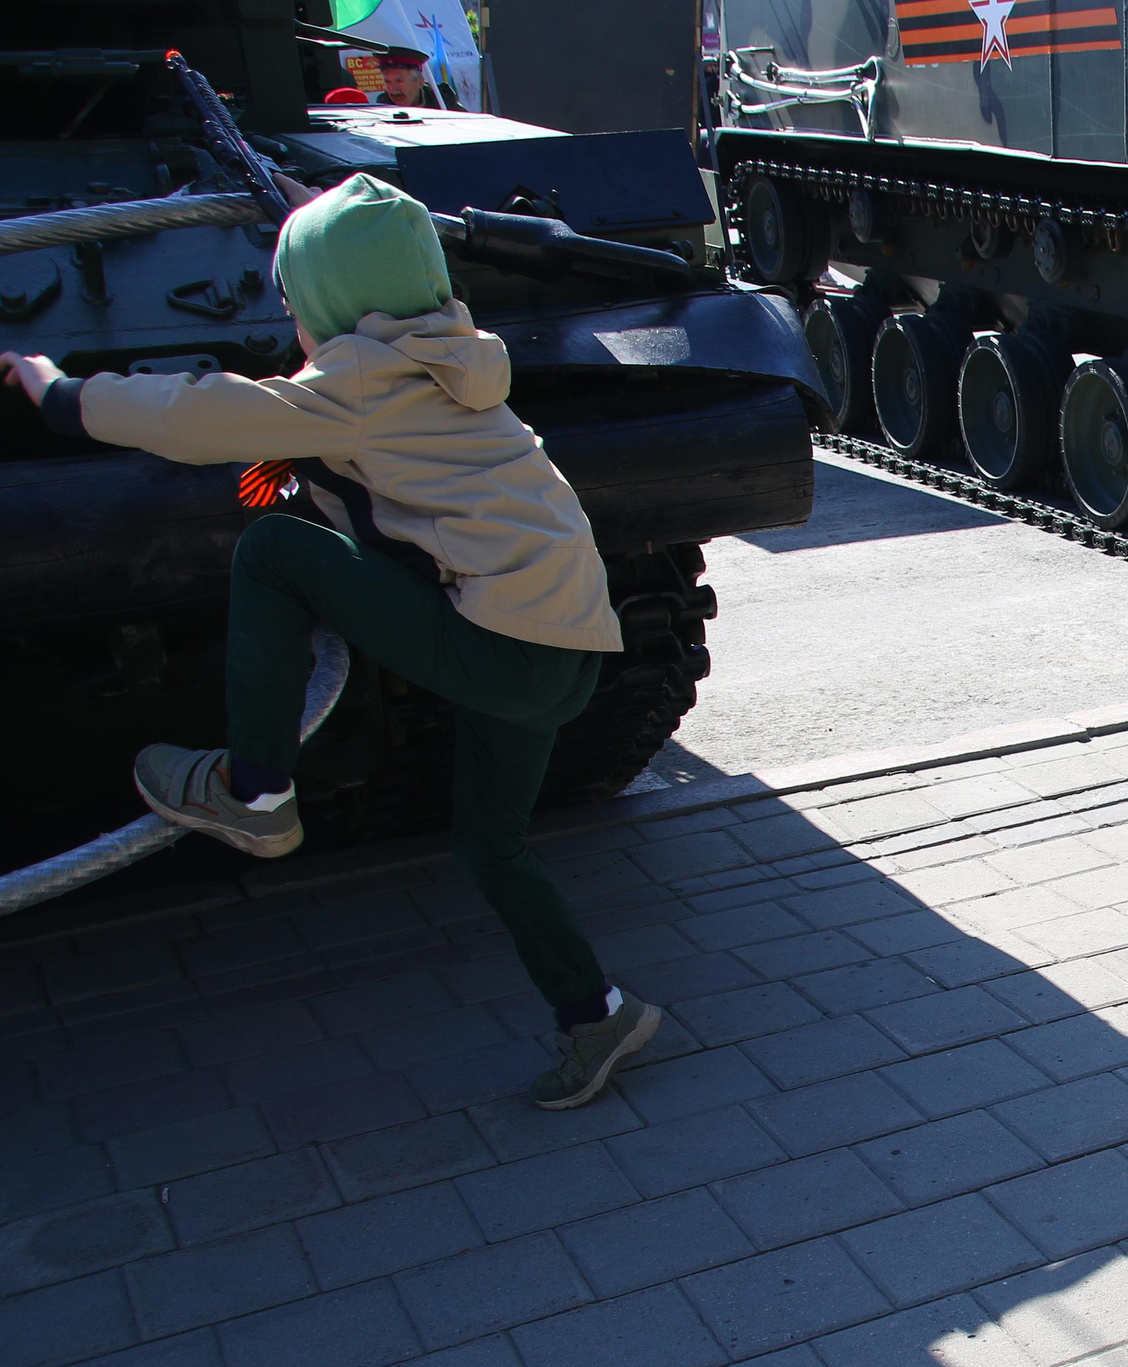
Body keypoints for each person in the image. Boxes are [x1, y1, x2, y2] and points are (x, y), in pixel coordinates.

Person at [1, 173, 660, 1111]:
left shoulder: (350, 384)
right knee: (490, 844)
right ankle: (597, 1013)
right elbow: (381, 472)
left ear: (329, 314)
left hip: (500, 648)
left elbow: (195, 414)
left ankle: (257, 792)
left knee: (273, 551)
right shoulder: (457, 363)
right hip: (568, 648)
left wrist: (59, 392)